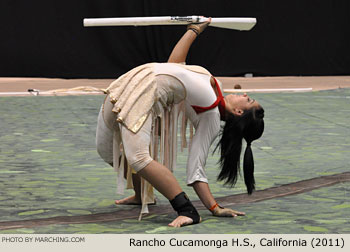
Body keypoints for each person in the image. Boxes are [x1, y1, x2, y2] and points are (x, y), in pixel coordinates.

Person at [96, 20, 264, 227]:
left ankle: (188, 211)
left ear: (239, 112)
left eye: (248, 100)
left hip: (147, 95)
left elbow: (196, 170)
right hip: (133, 82)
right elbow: (174, 64)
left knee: (138, 157)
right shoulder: (216, 86)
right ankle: (143, 196)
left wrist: (214, 207)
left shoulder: (210, 116)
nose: (245, 94)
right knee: (105, 150)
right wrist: (194, 30)